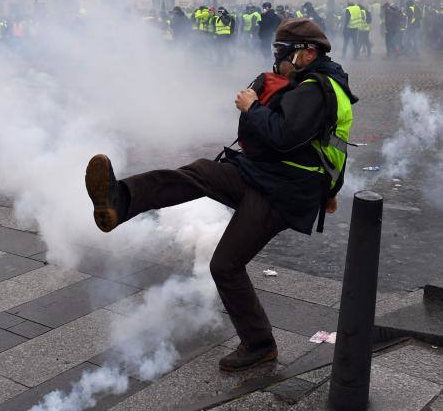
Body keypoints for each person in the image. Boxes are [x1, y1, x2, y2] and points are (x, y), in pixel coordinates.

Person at [84, 19, 357, 371]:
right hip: (267, 176)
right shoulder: (313, 84)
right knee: (199, 172)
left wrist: (252, 107)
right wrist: (330, 192)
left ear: (307, 52)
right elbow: (326, 148)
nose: (277, 60)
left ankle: (260, 345)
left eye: (281, 53)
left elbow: (284, 136)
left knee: (225, 266)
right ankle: (118, 201)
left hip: (282, 193)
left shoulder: (318, 89)